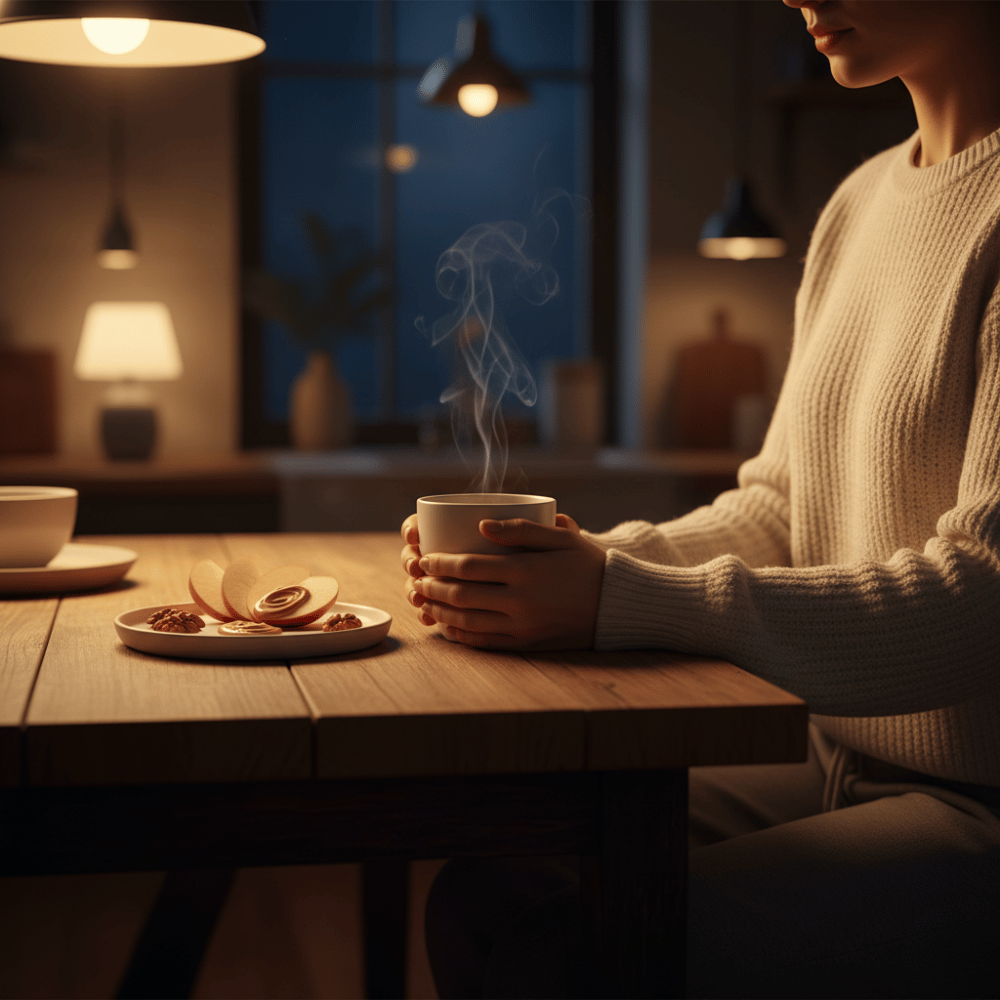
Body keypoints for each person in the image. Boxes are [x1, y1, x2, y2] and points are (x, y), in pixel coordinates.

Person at [399, 1, 1000, 995]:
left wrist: (617, 601)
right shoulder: (859, 203)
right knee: (489, 884)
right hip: (828, 757)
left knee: (568, 956)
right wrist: (573, 557)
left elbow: (983, 596)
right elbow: (777, 508)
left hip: (977, 805)